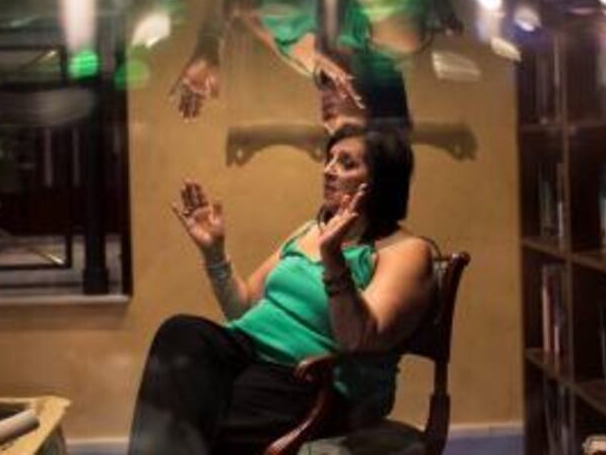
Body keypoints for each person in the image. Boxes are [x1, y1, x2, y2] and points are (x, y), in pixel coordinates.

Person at [127, 124, 434, 454]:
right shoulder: (309, 230)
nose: (328, 170)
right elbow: (243, 307)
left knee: (185, 416)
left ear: (382, 181)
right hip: (249, 354)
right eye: (330, 159)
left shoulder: (405, 251)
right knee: (182, 331)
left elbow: (358, 338)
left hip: (314, 381)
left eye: (347, 163)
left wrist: (333, 260)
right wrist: (214, 253)